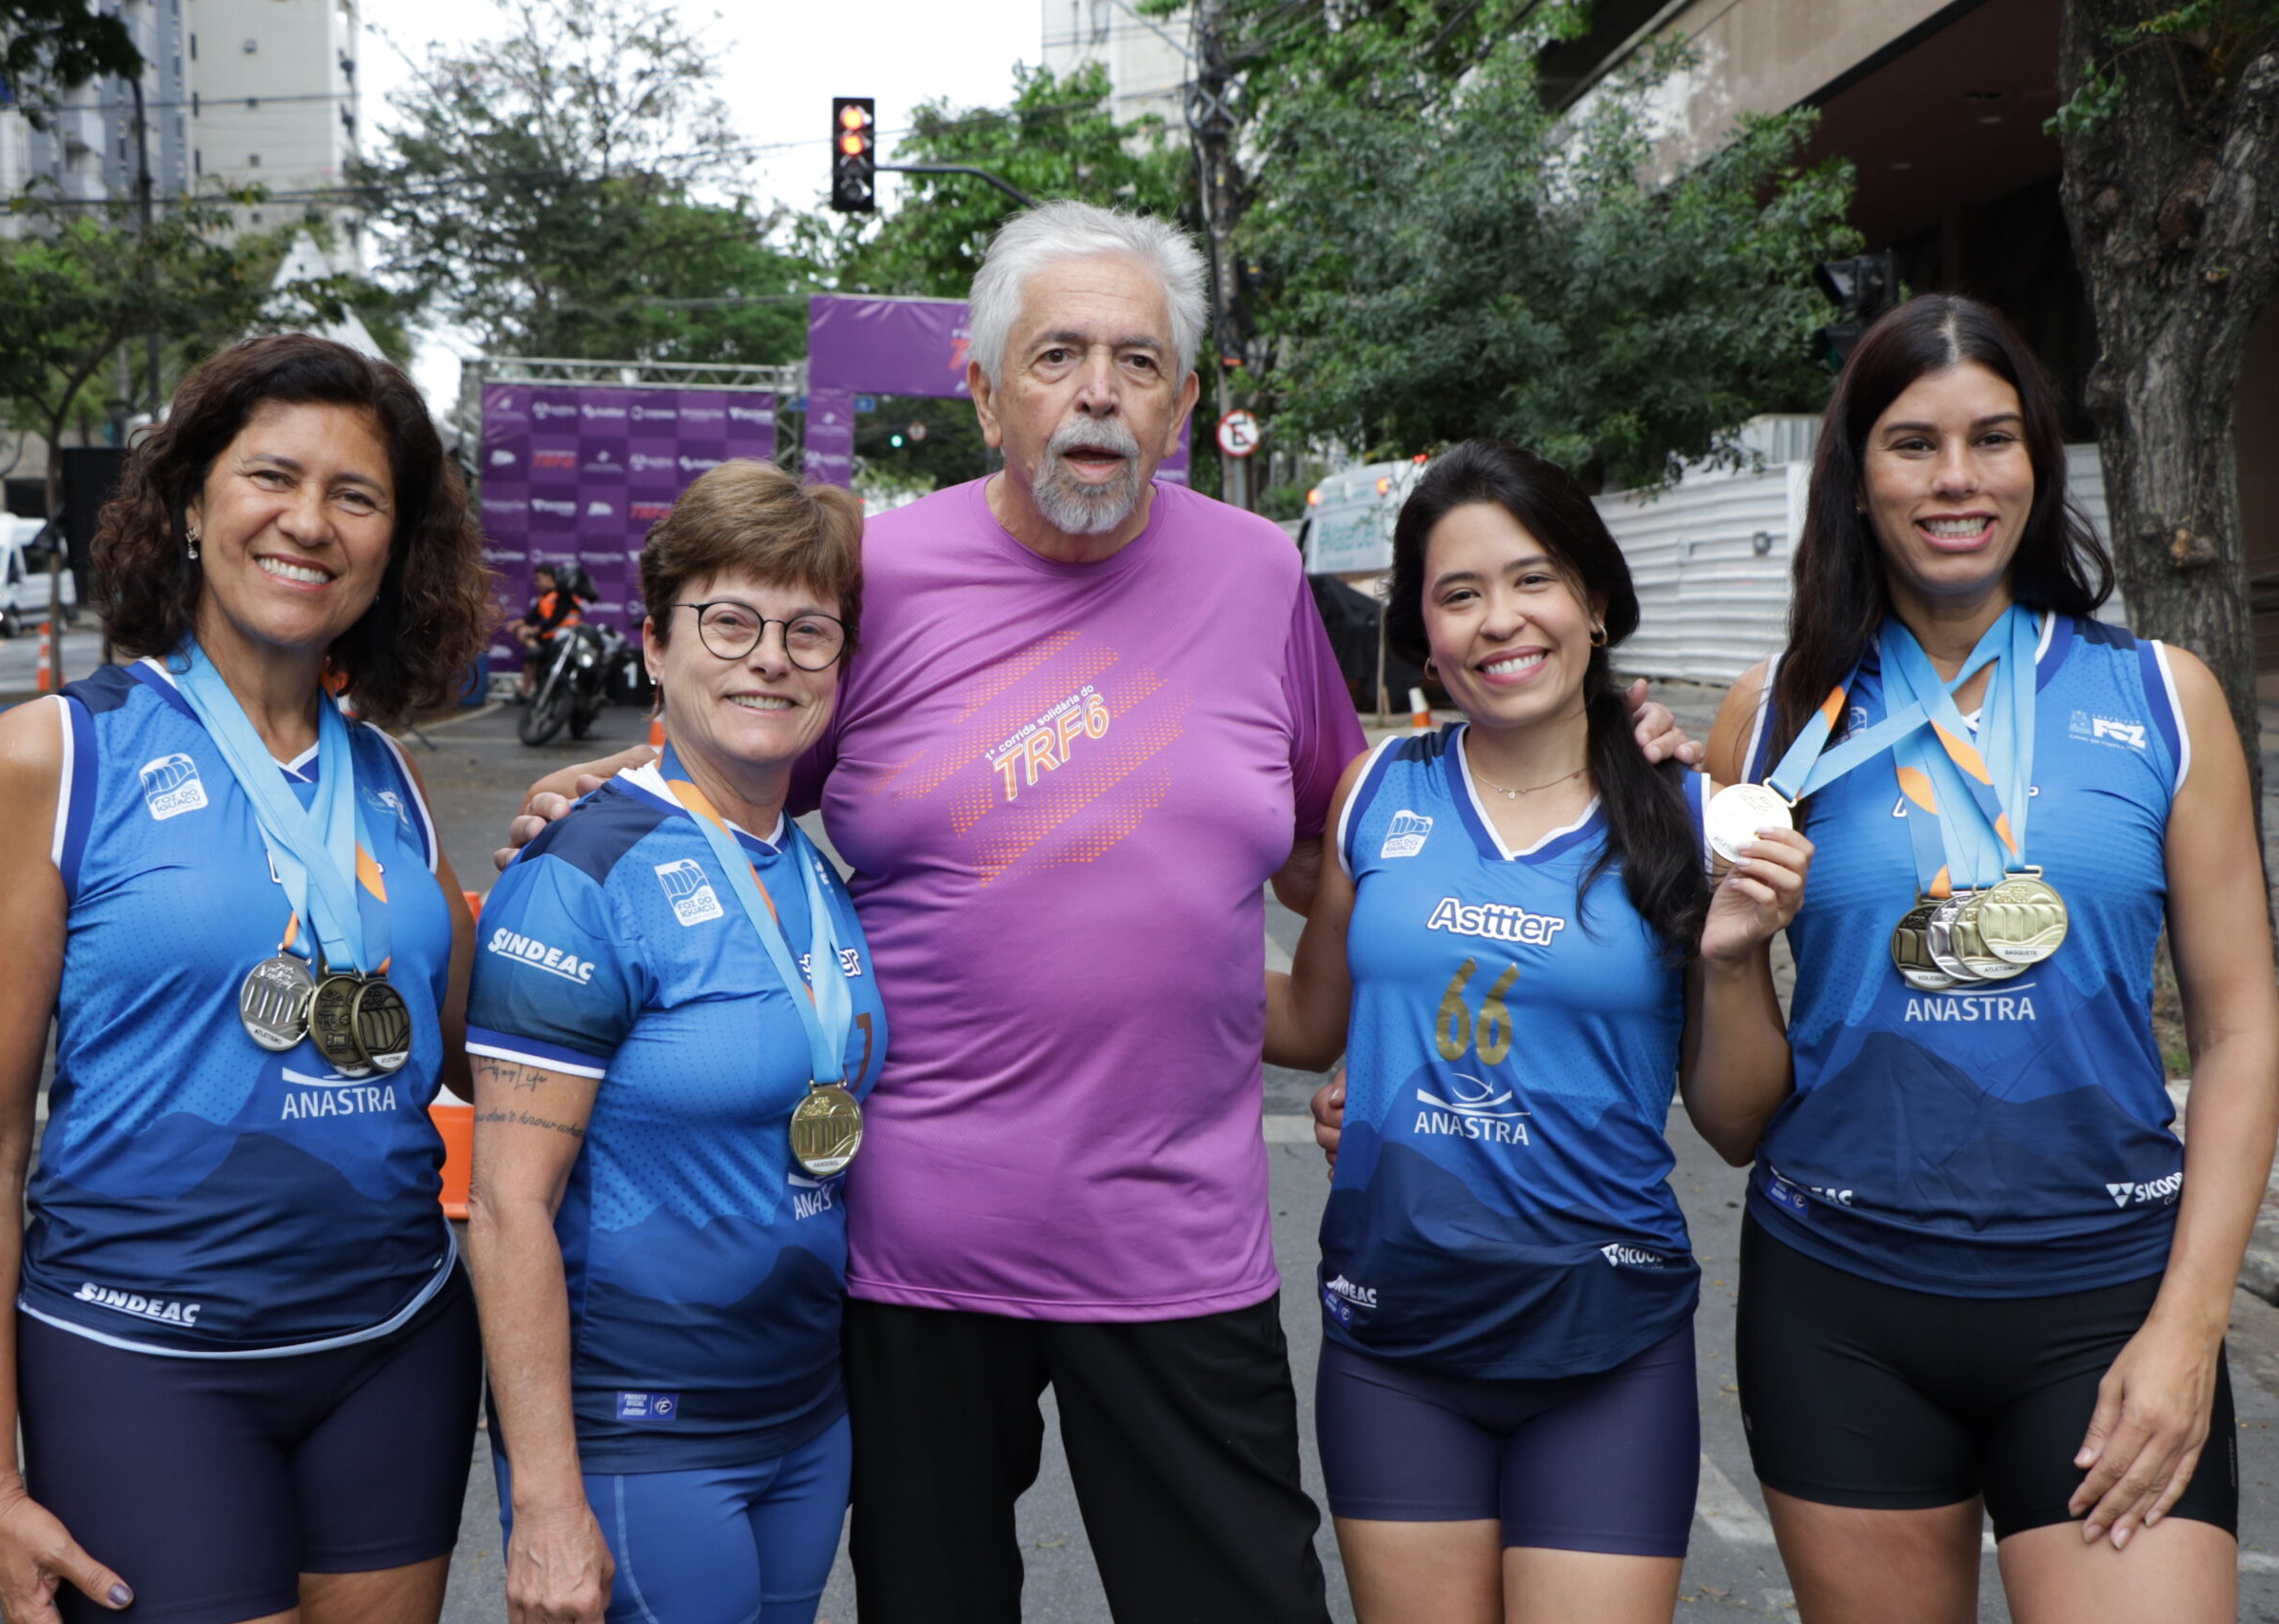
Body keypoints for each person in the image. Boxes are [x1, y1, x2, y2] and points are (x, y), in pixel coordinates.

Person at [499, 200, 1696, 1624]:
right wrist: (610, 793)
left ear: (1181, 402)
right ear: (982, 387)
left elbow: (1356, 846)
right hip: (916, 1256)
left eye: (1138, 362)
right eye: (1057, 354)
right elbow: (743, 758)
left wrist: (1597, 764)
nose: (1098, 392)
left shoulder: (1256, 575)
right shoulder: (880, 576)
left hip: (1180, 1249)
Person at [1699, 294, 2279, 1623]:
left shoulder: (2164, 698)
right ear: (1856, 474)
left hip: (2105, 1297)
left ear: (2037, 462)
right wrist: (1728, 965)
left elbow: (2241, 1030)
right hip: (1840, 1305)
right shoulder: (1773, 715)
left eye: (1992, 438)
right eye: (1913, 443)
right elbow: (1729, 1123)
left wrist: (2189, 1328)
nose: (1956, 478)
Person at [0, 333, 492, 1624]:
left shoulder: (391, 778)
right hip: (141, 1357)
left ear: (393, 546)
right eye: (271, 476)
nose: (310, 521)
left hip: (393, 1348)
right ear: (190, 501)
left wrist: (616, 834)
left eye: (356, 496)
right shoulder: (55, 756)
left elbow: (473, 1051)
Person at [1272, 440, 1807, 1623]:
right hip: (1394, 1344)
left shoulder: (1687, 813)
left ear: (1595, 601)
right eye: (1458, 594)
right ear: (1422, 631)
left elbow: (1736, 1125)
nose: (1500, 620)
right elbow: (1311, 1022)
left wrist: (1732, 960)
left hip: (1604, 1345)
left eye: (1533, 580)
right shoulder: (1377, 791)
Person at [462, 460, 882, 1624]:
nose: (770, 657)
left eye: (808, 630)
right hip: (641, 1438)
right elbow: (506, 1208)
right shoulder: (579, 873)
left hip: (803, 1420)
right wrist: (548, 1502)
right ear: (654, 645)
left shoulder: (811, 869)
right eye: (729, 621)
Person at [510, 563, 583, 700]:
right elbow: (531, 618)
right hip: (548, 638)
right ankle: (525, 693)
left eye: (538, 579)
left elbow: (556, 618)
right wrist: (515, 625)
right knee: (526, 643)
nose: (536, 583)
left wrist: (533, 630)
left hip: (565, 640)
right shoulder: (544, 598)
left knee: (527, 637)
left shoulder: (562, 594)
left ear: (549, 577)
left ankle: (535, 651)